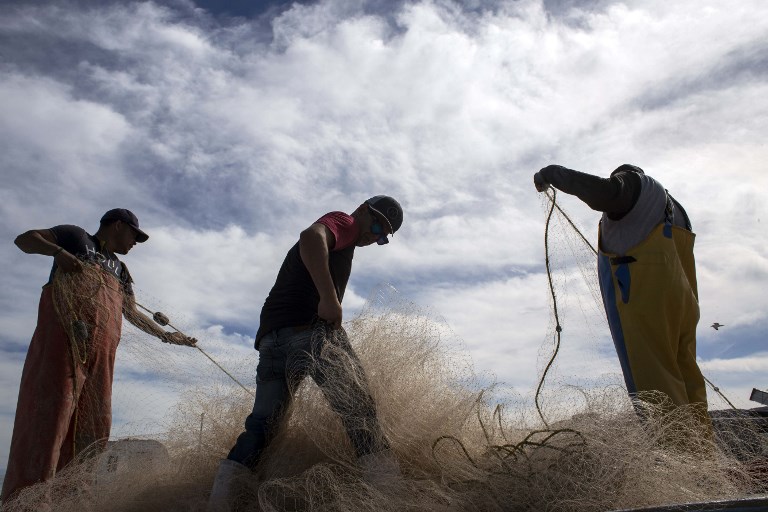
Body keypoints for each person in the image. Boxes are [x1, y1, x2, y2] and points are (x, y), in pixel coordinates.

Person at [208, 196, 404, 510]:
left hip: (273, 340)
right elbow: (310, 236)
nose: (374, 237)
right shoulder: (345, 222)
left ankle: (221, 502)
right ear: (364, 210)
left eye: (383, 237)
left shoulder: (348, 240)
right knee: (360, 410)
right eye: (378, 225)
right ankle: (392, 498)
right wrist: (329, 298)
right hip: (312, 332)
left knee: (262, 426)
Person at [2, 208, 197, 504]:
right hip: (63, 343)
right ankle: (27, 502)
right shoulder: (76, 238)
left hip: (102, 355)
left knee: (94, 428)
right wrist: (58, 252)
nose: (135, 243)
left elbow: (130, 313)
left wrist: (168, 336)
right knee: (48, 417)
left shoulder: (121, 270)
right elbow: (24, 240)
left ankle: (71, 502)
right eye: (135, 235)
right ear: (118, 226)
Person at [533, 164, 711, 422]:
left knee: (653, 383)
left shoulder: (637, 185)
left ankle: (676, 457)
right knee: (686, 377)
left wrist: (552, 174)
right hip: (682, 301)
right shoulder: (671, 207)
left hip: (645, 296)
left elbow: (608, 192)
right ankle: (701, 454)